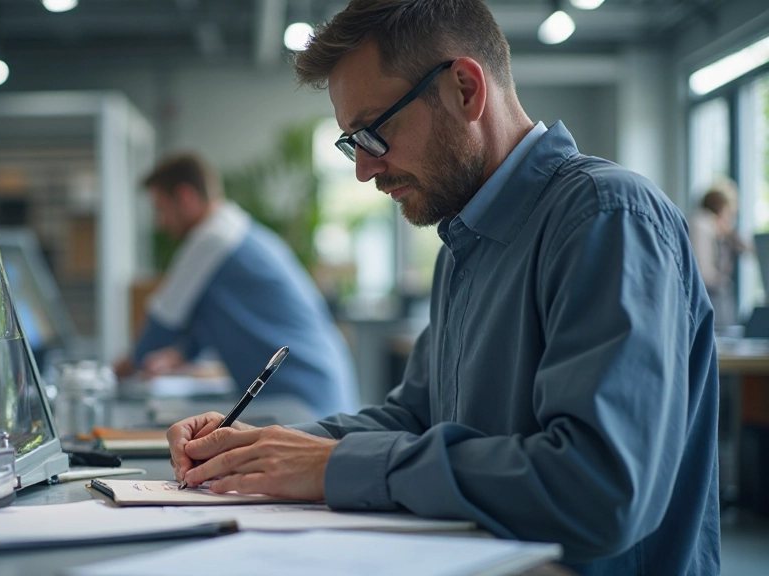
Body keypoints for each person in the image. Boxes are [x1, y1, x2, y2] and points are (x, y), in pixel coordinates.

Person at [165, 1, 720, 574]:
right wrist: (261, 449)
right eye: (351, 142)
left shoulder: (606, 217)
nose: (363, 169)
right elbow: (416, 417)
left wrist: (334, 465)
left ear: (465, 89)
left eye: (373, 133)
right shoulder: (464, 241)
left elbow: (601, 490)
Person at [114, 153, 359, 419]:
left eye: (161, 209)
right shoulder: (237, 232)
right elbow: (211, 322)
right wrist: (181, 354)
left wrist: (110, 375)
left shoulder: (211, 240)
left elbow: (159, 329)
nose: (160, 223)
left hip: (301, 400)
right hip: (318, 389)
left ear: (185, 197)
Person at [689, 179, 750, 328]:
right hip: (707, 300)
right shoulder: (701, 224)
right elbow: (704, 273)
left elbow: (747, 248)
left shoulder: (721, 231)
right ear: (722, 208)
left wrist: (730, 233)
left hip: (716, 302)